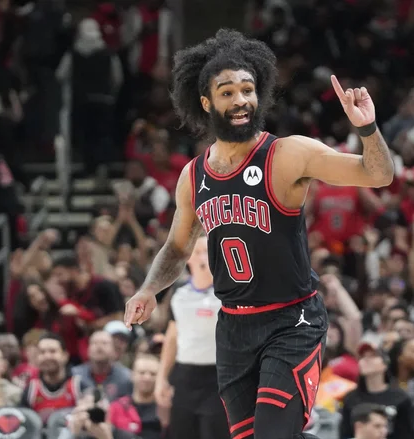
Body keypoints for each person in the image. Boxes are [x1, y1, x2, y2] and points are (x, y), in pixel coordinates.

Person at [124, 29, 395, 439]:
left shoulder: (288, 154)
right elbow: (177, 248)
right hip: (233, 328)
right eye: (228, 92)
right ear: (206, 102)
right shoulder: (193, 177)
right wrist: (148, 289)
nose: (240, 101)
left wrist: (368, 128)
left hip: (292, 320)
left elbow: (379, 174)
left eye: (248, 90)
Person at [155, 235, 229, 439]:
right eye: (197, 252)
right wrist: (161, 379)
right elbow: (171, 338)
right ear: (188, 258)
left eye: (208, 252)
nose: (203, 257)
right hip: (185, 377)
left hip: (218, 379)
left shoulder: (229, 294)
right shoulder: (179, 293)